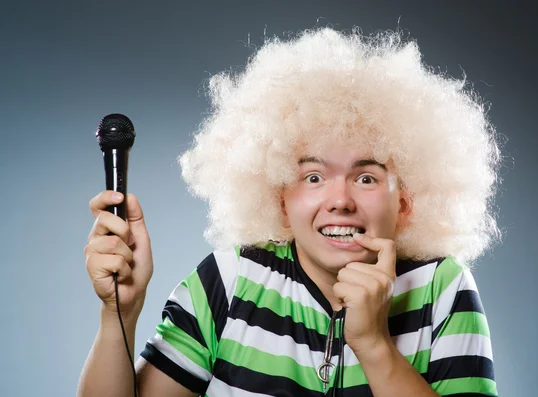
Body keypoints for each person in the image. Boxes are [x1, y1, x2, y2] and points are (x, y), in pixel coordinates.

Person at [78, 27, 501, 397]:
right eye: (314, 177)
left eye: (367, 178)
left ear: (406, 203)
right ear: (280, 203)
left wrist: (374, 345)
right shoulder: (230, 282)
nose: (340, 200)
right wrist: (122, 313)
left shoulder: (441, 288)